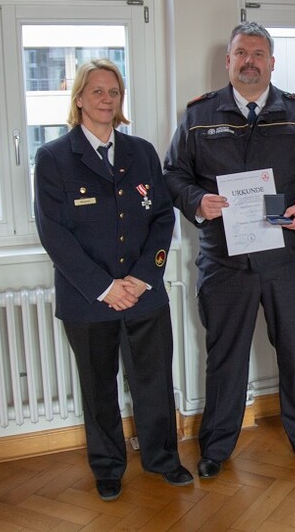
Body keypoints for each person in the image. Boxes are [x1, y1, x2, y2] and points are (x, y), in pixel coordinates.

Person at [163, 22, 295, 479]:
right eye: (241, 53)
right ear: (228, 61)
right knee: (225, 357)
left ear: (272, 62)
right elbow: (173, 175)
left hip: (287, 257)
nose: (250, 61)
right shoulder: (199, 115)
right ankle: (216, 448)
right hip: (225, 261)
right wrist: (197, 202)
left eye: (259, 53)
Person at [34, 59, 192, 502]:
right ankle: (107, 467)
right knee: (99, 386)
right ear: (80, 98)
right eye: (97, 92)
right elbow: (54, 234)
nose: (107, 100)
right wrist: (106, 288)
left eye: (114, 92)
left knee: (154, 382)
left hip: (144, 294)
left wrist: (143, 277)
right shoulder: (53, 158)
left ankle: (163, 459)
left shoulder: (141, 152)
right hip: (89, 301)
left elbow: (162, 218)